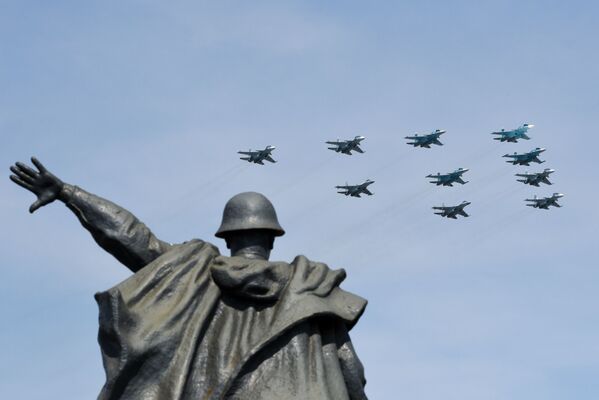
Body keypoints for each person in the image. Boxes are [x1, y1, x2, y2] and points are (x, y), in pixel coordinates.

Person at [9, 157, 368, 400]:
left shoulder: (195, 273)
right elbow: (351, 371)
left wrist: (70, 195)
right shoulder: (314, 289)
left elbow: (132, 239)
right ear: (273, 237)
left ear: (227, 237)